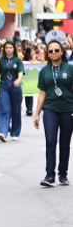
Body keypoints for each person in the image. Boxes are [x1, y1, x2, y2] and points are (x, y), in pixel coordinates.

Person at [33, 40, 73, 187]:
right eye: (50, 51)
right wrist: (37, 113)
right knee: (50, 141)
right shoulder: (44, 71)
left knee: (65, 143)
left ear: (62, 52)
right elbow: (42, 93)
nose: (54, 53)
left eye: (56, 50)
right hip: (50, 109)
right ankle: (50, 175)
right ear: (47, 54)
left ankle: (63, 174)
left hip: (68, 109)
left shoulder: (70, 69)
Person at [0, 41, 24, 142]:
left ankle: (15, 132)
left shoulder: (18, 60)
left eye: (10, 48)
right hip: (4, 86)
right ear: (4, 49)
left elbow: (21, 73)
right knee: (4, 109)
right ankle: (3, 132)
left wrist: (18, 80)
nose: (8, 49)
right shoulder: (1, 60)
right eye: (6, 48)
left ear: (14, 49)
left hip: (15, 86)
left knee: (16, 110)